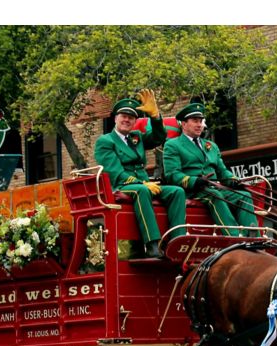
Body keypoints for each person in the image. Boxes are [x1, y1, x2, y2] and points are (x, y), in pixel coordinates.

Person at [94, 90, 186, 258]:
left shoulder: (136, 137)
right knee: (142, 191)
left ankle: (177, 241)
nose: (127, 120)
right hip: (121, 186)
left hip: (143, 183)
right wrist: (143, 183)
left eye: (131, 118)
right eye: (123, 116)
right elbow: (115, 173)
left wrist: (156, 117)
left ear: (135, 121)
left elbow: (159, 137)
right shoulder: (105, 141)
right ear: (115, 118)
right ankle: (152, 244)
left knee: (177, 192)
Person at [163, 102, 258, 236]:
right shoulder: (173, 145)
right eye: (195, 121)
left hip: (213, 188)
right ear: (184, 124)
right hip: (193, 190)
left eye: (201, 121)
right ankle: (234, 235)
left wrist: (233, 180)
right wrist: (194, 181)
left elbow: (222, 170)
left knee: (244, 196)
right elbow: (172, 174)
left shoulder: (211, 145)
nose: (199, 125)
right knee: (215, 196)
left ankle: (253, 235)